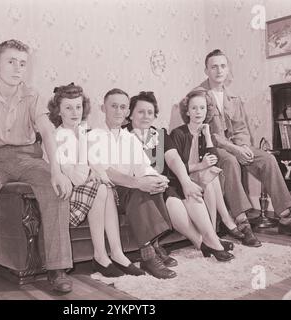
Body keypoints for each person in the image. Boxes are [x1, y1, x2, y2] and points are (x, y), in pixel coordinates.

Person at [0, 40, 73, 300]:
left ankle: (57, 269)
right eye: (11, 61)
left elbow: (47, 132)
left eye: (22, 63)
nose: (17, 68)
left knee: (56, 189)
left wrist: (57, 171)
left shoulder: (32, 95)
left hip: (28, 157)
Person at [193, 49, 291, 243]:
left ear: (228, 69)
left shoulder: (233, 99)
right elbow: (211, 134)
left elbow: (241, 128)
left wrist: (244, 147)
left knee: (268, 159)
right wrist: (236, 151)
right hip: (210, 149)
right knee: (229, 160)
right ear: (206, 71)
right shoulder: (199, 96)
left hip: (234, 146)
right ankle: (242, 222)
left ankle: (285, 218)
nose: (219, 70)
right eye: (214, 67)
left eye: (222, 66)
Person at [46, 83, 144, 277]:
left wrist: (100, 174)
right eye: (68, 107)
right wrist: (85, 145)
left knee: (105, 187)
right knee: (100, 189)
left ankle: (116, 252)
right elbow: (77, 177)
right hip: (65, 195)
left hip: (85, 189)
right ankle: (100, 255)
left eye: (78, 106)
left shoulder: (82, 132)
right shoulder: (58, 137)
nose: (75, 112)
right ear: (58, 111)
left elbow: (96, 167)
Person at [125, 91, 234, 262]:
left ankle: (211, 239)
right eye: (140, 112)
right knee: (173, 200)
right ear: (130, 114)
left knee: (190, 191)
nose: (146, 116)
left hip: (165, 183)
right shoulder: (123, 136)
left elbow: (173, 157)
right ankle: (201, 242)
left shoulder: (159, 134)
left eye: (150, 112)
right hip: (141, 186)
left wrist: (185, 182)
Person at [88, 88, 177, 279]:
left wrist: (157, 179)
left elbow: (142, 166)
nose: (118, 111)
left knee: (152, 186)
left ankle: (153, 247)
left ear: (127, 111)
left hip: (128, 188)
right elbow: (106, 172)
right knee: (139, 191)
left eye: (122, 107)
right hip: (108, 191)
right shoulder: (94, 135)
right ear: (103, 108)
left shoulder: (130, 138)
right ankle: (149, 254)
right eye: (113, 106)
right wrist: (138, 183)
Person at [175, 90, 244, 239]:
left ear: (207, 110)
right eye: (194, 108)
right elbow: (175, 168)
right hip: (183, 181)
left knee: (211, 173)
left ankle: (214, 230)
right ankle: (224, 223)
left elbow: (213, 158)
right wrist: (201, 165)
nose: (198, 112)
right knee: (210, 173)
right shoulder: (178, 134)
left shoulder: (204, 132)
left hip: (203, 177)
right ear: (187, 112)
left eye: (202, 108)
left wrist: (207, 136)